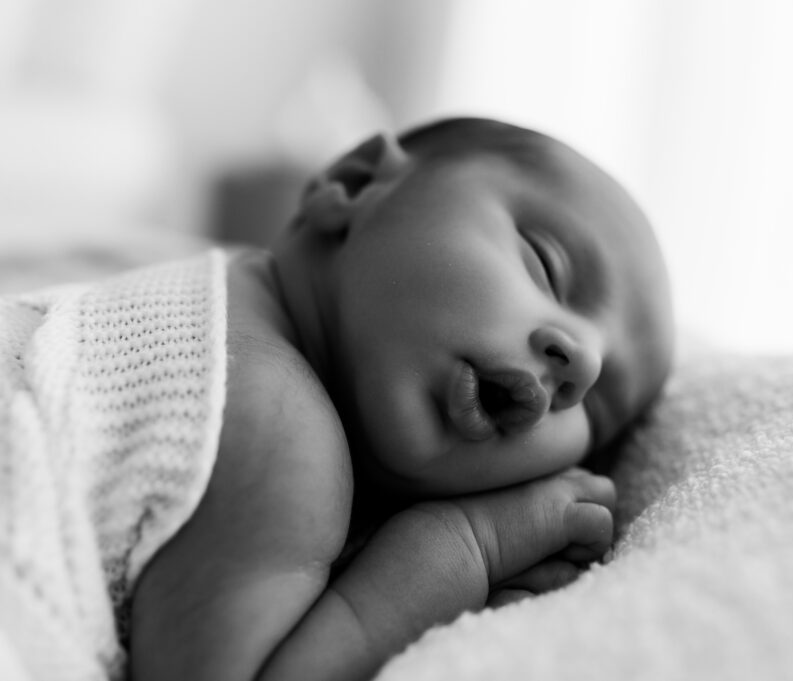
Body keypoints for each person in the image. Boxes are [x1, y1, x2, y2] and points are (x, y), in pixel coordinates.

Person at [0, 117, 674, 681]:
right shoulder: (280, 425)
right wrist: (459, 550)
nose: (580, 362)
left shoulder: (219, 292)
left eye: (598, 405)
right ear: (355, 186)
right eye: (546, 264)